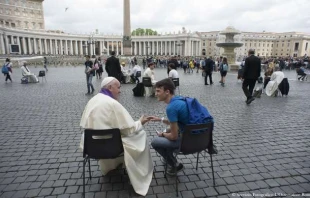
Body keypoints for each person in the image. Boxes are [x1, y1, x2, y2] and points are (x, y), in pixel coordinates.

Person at [79, 77, 153, 196]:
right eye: (118, 87)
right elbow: (129, 129)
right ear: (109, 87)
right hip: (113, 147)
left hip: (92, 147)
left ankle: (113, 165)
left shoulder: (93, 100)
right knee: (141, 135)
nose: (120, 91)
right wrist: (140, 122)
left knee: (112, 137)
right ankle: (142, 170)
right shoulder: (112, 103)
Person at [150, 78, 189, 175]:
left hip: (189, 143)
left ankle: (175, 164)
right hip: (201, 139)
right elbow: (175, 122)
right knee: (168, 131)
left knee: (155, 142)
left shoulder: (171, 107)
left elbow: (174, 137)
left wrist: (163, 134)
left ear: (167, 92)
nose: (156, 94)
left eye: (158, 91)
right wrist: (160, 119)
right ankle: (168, 156)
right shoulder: (181, 100)